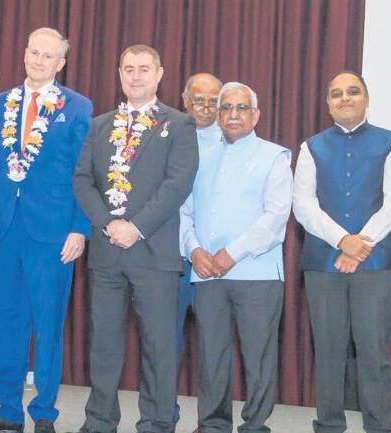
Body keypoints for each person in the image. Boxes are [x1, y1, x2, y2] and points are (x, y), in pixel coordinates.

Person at [0, 28, 92, 433]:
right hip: (5, 229)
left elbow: (84, 172)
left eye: (48, 55)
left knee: (47, 324)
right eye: (34, 52)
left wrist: (80, 228)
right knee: (6, 319)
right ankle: (8, 410)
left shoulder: (77, 106)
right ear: (24, 54)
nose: (39, 60)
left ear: (61, 63)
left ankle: (44, 412)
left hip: (53, 233)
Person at [73, 44, 198, 433]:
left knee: (158, 346)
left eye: (144, 68)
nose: (136, 76)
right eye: (129, 68)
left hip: (154, 252)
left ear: (159, 74)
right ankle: (99, 420)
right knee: (103, 344)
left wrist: (136, 227)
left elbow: (177, 184)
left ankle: (157, 422)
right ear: (120, 74)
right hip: (107, 252)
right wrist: (108, 224)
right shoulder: (100, 125)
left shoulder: (179, 124)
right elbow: (82, 180)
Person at [293, 71, 391, 433]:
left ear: (366, 98)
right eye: (337, 93)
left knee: (373, 351)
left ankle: (379, 425)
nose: (345, 98)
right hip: (323, 264)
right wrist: (344, 240)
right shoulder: (311, 147)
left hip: (375, 264)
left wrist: (360, 243)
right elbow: (303, 205)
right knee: (328, 352)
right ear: (328, 103)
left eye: (353, 91)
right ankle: (329, 425)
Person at [180, 82, 291, 433]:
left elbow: (275, 217)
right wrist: (194, 249)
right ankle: (213, 425)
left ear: (255, 115)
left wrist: (232, 252)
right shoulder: (199, 157)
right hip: (208, 273)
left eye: (241, 108)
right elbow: (184, 212)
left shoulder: (274, 156)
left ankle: (255, 426)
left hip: (257, 273)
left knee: (258, 358)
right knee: (211, 355)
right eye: (226, 107)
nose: (233, 114)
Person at [174, 72, 221, 422]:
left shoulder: (232, 140)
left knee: (215, 346)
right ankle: (163, 416)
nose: (205, 107)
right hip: (172, 257)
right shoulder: (168, 135)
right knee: (164, 342)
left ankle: (213, 423)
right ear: (184, 100)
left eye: (213, 101)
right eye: (198, 100)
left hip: (217, 259)